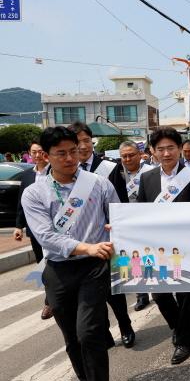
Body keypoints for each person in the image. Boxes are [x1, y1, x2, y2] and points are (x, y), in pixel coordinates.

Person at [21, 126, 116, 381]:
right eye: (60, 153)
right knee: (71, 337)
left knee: (89, 331)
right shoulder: (34, 193)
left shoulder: (98, 184)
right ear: (45, 156)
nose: (69, 158)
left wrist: (116, 230)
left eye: (73, 151)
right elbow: (45, 236)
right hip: (58, 270)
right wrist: (85, 246)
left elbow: (120, 216)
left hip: (94, 267)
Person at [137, 127, 190, 365]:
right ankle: (178, 326)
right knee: (160, 293)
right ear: (153, 152)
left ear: (179, 149)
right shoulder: (147, 178)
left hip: (185, 247)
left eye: (171, 148)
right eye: (161, 149)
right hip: (155, 248)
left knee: (186, 294)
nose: (166, 153)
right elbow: (141, 212)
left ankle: (184, 341)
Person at [68, 122, 135, 350]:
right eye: (78, 142)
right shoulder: (66, 171)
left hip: (106, 240)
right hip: (79, 244)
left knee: (112, 290)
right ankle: (104, 332)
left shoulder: (108, 167)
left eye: (87, 140)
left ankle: (125, 326)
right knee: (90, 296)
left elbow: (121, 204)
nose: (83, 146)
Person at [14, 140, 53, 320]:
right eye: (33, 152)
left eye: (40, 151)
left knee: (56, 263)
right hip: (34, 229)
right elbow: (22, 204)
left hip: (57, 228)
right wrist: (18, 226)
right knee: (43, 265)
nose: (37, 155)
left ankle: (55, 298)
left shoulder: (55, 172)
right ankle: (50, 300)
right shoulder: (27, 176)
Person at [117, 140, 153, 311]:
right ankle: (141, 295)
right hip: (126, 224)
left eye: (131, 155)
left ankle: (160, 285)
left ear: (140, 155)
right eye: (124, 156)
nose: (128, 159)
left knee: (151, 256)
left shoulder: (151, 172)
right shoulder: (117, 174)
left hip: (147, 222)